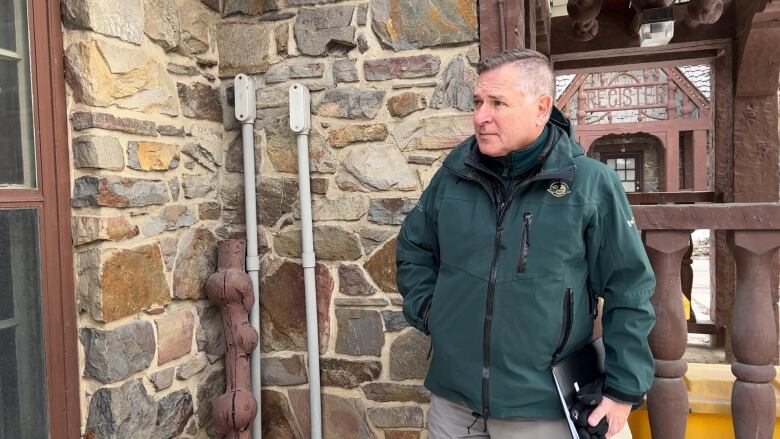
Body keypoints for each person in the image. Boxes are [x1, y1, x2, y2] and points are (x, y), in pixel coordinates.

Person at [395, 48, 656, 439]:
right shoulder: (451, 177)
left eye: (497, 103)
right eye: (478, 102)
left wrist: (622, 391)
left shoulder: (589, 183)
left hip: (543, 408)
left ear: (541, 107)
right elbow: (414, 250)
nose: (481, 116)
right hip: (453, 405)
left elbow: (629, 286)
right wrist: (434, 313)